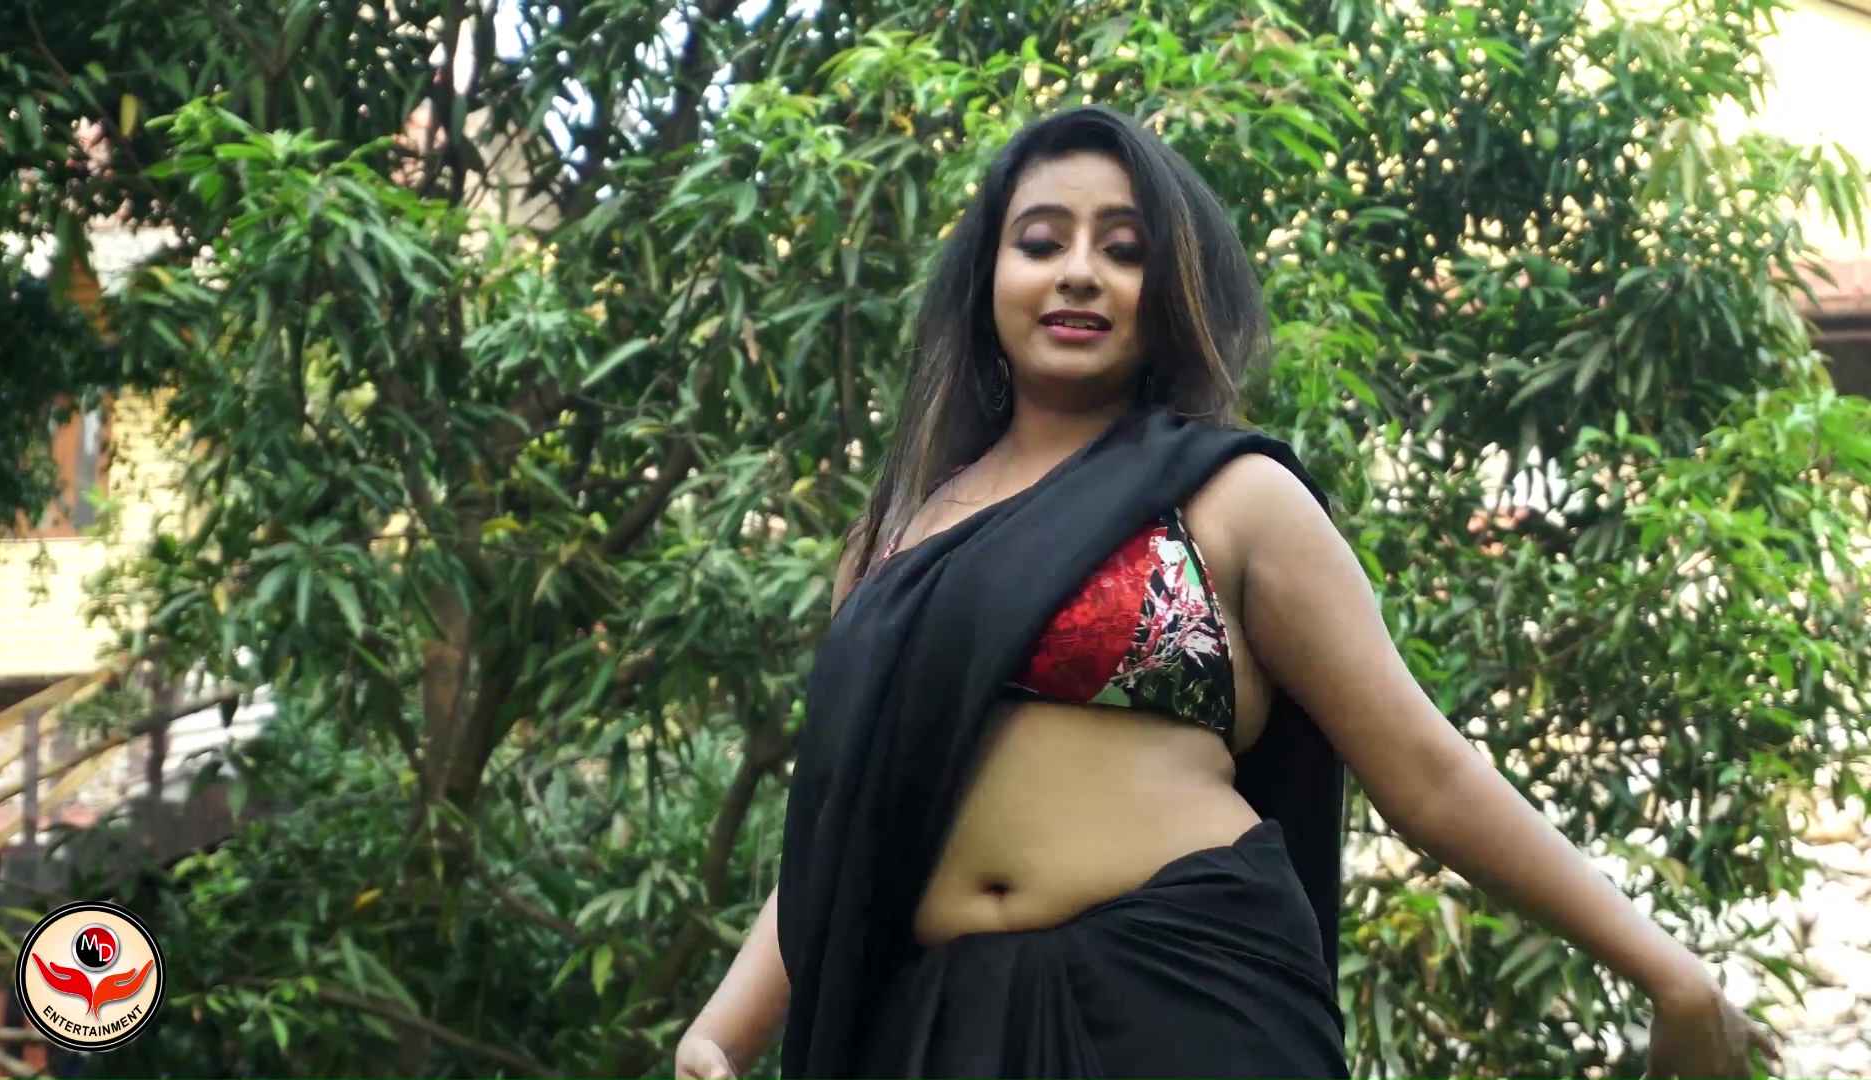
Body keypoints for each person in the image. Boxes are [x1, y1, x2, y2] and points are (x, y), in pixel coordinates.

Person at [675, 105, 1778, 1080]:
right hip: (942, 1030)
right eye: (1041, 241)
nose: (1079, 273)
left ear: (1170, 292)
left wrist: (1670, 976)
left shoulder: (1233, 497)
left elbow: (1428, 771)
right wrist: (723, 1031)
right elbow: (844, 828)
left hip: (1185, 998)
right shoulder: (892, 542)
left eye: (1124, 249)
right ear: (986, 280)